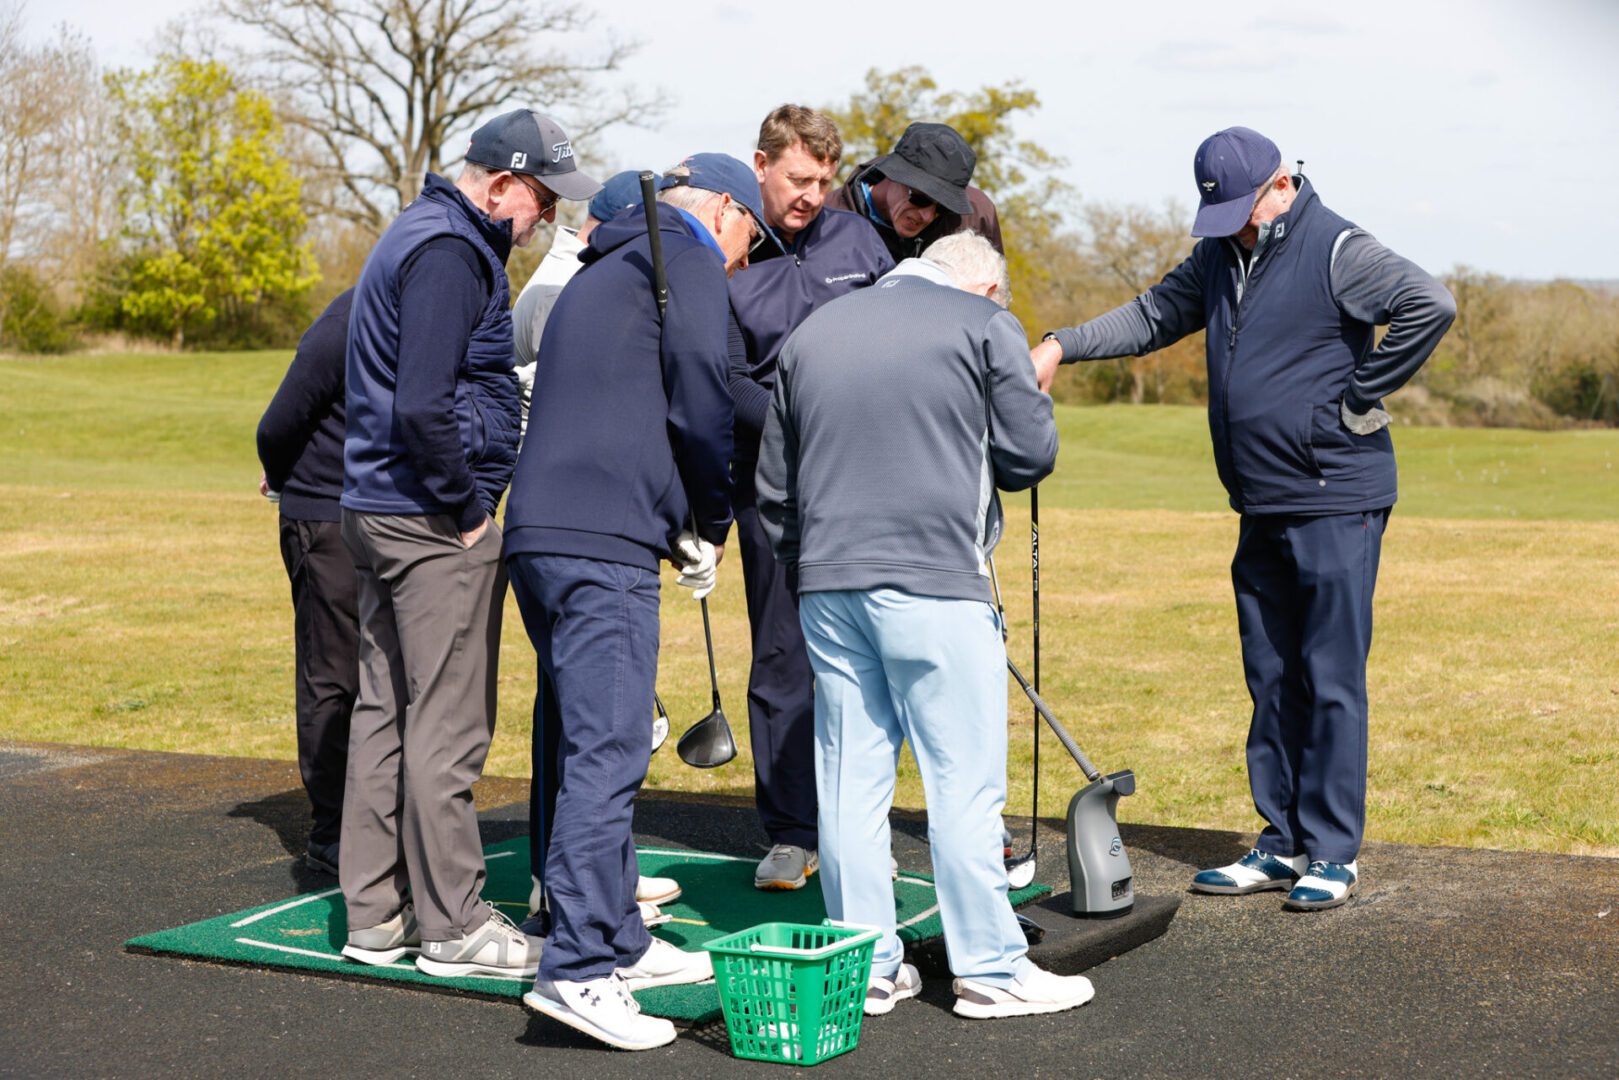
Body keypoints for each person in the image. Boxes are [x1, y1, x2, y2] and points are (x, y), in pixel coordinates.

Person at [1030, 127, 1456, 911]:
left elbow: (1429, 304)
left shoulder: (1336, 248)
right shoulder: (1223, 254)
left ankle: (1331, 850)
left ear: (1279, 185)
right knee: (1269, 673)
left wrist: (1360, 395)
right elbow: (1154, 314)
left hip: (1335, 494)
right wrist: (1060, 345)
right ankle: (1281, 840)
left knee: (1329, 676)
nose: (1235, 226)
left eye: (1243, 210)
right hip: (1259, 497)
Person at [756, 232, 1094, 1020]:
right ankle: (990, 968)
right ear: (985, 287)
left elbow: (774, 486)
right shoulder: (982, 324)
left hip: (827, 586)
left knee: (848, 785)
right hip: (938, 582)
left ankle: (863, 965)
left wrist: (812, 564)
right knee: (963, 780)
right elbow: (1027, 453)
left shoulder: (813, 331)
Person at [337, 109, 600, 979]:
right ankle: (452, 925)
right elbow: (421, 401)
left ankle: (375, 914)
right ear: (498, 185)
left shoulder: (426, 233)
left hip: (377, 507)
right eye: (542, 201)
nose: (548, 222)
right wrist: (466, 508)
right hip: (426, 518)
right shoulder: (451, 252)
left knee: (384, 713)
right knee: (447, 726)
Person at [506, 154, 759, 1051]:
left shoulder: (596, 268)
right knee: (610, 752)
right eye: (748, 236)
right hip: (598, 544)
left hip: (540, 534)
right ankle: (576, 970)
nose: (739, 259)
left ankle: (615, 933)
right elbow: (701, 391)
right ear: (722, 210)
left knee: (589, 742)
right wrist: (710, 516)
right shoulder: (681, 252)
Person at [507, 170, 681, 938]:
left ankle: (603, 876)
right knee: (580, 723)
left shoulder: (573, 285)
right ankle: (564, 892)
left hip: (565, 524)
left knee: (593, 719)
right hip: (564, 526)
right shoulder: (558, 294)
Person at [727, 104, 893, 891]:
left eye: (825, 181)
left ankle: (861, 819)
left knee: (875, 651)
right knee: (783, 654)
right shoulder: (724, 246)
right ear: (759, 165)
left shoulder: (859, 242)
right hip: (768, 488)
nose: (811, 195)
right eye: (798, 178)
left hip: (863, 481)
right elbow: (719, 376)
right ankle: (793, 831)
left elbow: (899, 338)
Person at [255, 288, 357, 877]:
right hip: (323, 514)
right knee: (331, 673)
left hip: (377, 513)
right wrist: (281, 475)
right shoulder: (343, 319)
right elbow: (279, 424)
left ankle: (363, 817)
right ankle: (331, 830)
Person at [826, 121, 1002, 262]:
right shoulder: (825, 221)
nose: (927, 216)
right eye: (920, 198)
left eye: (943, 208)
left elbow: (994, 298)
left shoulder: (975, 214)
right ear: (893, 173)